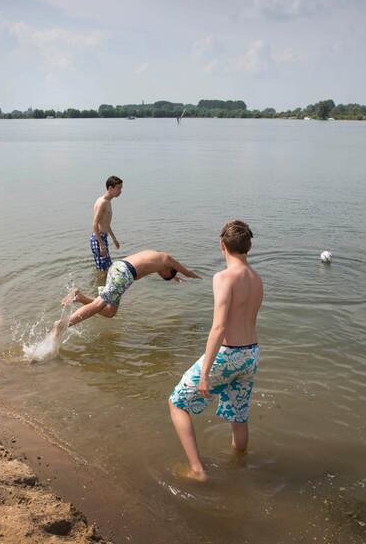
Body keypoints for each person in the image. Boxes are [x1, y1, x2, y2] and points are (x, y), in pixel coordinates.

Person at [168, 220, 263, 482]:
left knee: (177, 403)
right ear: (249, 246)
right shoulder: (257, 279)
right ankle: (240, 466)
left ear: (222, 245)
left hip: (229, 354)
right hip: (251, 353)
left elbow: (220, 326)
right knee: (239, 414)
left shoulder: (223, 278)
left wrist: (207, 372)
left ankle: (197, 469)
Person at [52, 250, 200, 339]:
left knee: (110, 311)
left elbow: (155, 265)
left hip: (117, 267)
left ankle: (79, 297)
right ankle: (62, 324)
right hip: (124, 274)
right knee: (99, 305)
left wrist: (173, 277)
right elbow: (180, 267)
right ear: (169, 269)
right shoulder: (167, 259)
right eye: (165, 276)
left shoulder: (157, 257)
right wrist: (192, 275)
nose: (162, 276)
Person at [90, 176, 123, 272]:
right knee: (103, 271)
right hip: (98, 239)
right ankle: (99, 286)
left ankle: (101, 286)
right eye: (118, 188)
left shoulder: (108, 202)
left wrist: (114, 239)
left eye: (121, 188)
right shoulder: (102, 202)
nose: (120, 191)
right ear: (110, 188)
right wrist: (101, 244)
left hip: (103, 238)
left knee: (107, 268)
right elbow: (94, 224)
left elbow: (106, 224)